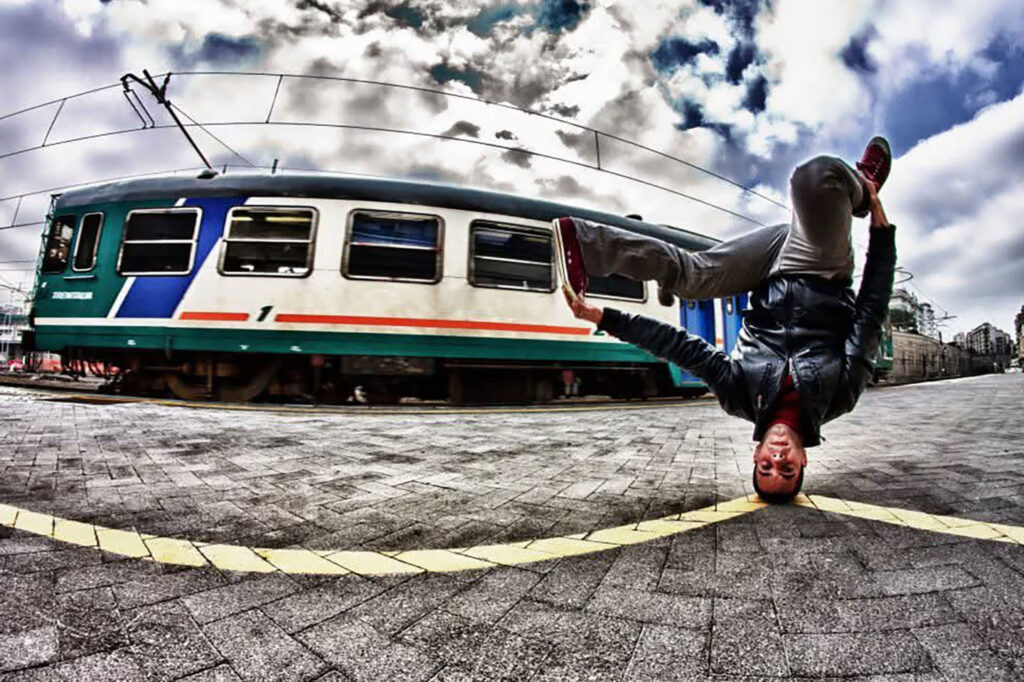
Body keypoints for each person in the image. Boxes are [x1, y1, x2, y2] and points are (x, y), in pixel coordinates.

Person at [558, 137, 897, 503]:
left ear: (755, 455)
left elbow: (679, 347)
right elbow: (871, 313)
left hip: (763, 270)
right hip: (819, 266)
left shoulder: (738, 396)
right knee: (814, 177)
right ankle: (865, 186)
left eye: (766, 467)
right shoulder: (839, 395)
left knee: (693, 277)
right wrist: (882, 240)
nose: (777, 460)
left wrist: (604, 317)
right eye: (786, 470)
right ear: (803, 461)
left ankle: (584, 243)